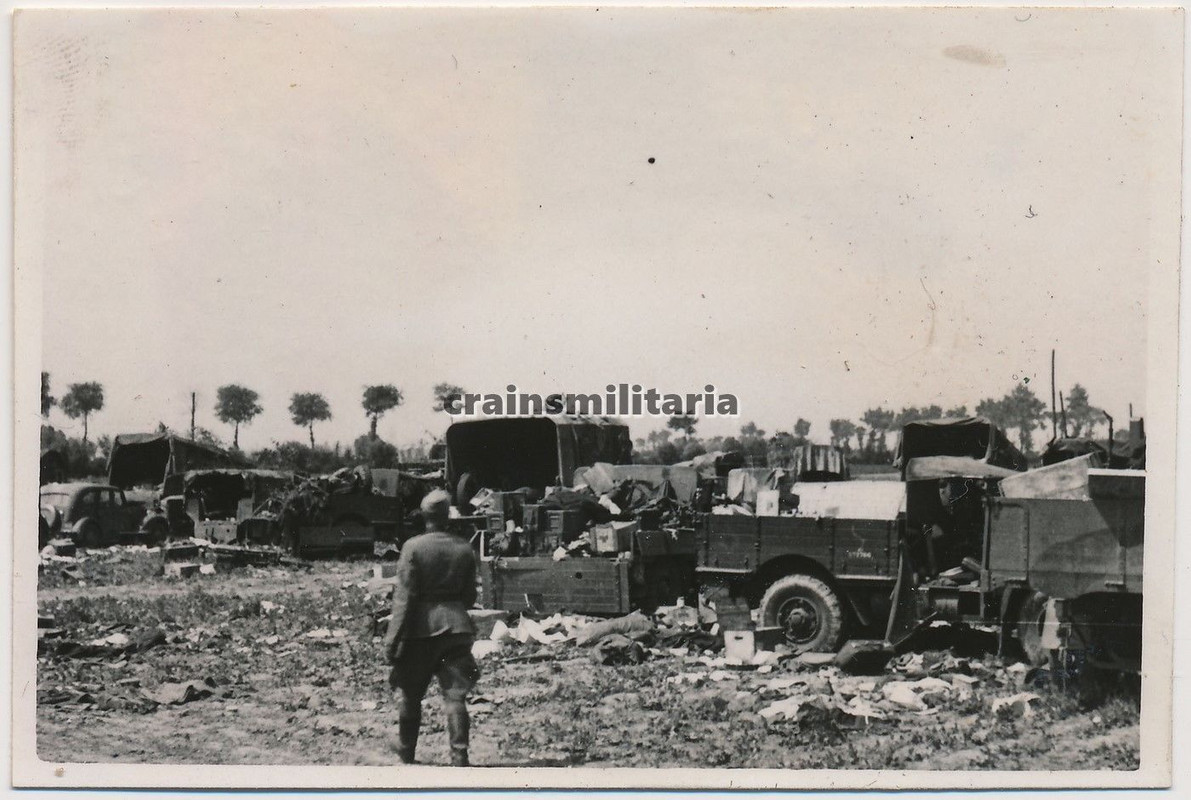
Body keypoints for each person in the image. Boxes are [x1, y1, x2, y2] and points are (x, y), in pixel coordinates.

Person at [383, 488, 480, 766]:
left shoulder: (413, 547)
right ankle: (459, 755)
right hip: (457, 629)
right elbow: (469, 597)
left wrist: (392, 641)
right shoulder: (464, 548)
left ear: (424, 516)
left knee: (411, 695)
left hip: (420, 632)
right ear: (447, 515)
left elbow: (404, 599)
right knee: (455, 697)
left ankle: (406, 752)